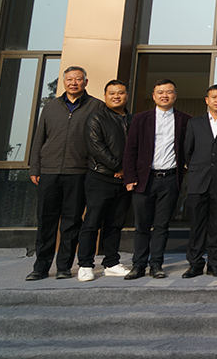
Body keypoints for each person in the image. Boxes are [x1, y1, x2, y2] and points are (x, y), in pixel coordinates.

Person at [27, 66, 104, 281]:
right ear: (64, 82)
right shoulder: (51, 106)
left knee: (71, 222)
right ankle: (40, 267)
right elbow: (39, 138)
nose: (73, 83)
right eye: (69, 79)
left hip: (78, 172)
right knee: (46, 221)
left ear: (85, 82)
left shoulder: (96, 106)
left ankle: (64, 266)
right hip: (49, 171)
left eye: (78, 79)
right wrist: (35, 168)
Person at [123, 79, 191, 279]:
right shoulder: (140, 119)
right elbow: (130, 149)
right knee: (142, 226)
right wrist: (130, 177)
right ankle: (138, 265)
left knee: (162, 225)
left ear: (175, 95)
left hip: (170, 179)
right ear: (153, 96)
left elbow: (188, 149)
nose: (164, 95)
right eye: (160, 92)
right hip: (144, 179)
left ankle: (156, 265)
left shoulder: (185, 119)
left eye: (169, 92)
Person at [77, 80, 133, 282]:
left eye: (120, 93)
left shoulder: (133, 119)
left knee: (115, 224)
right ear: (105, 96)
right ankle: (85, 264)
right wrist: (119, 168)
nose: (116, 96)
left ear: (127, 95)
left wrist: (127, 171)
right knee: (92, 223)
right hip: (100, 178)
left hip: (123, 182)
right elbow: (96, 147)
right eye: (112, 93)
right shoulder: (96, 118)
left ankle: (111, 263)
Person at [181, 84, 217, 278]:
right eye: (214, 97)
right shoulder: (194, 123)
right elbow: (188, 151)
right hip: (198, 180)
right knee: (197, 224)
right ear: (207, 100)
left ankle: (215, 263)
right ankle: (195, 263)